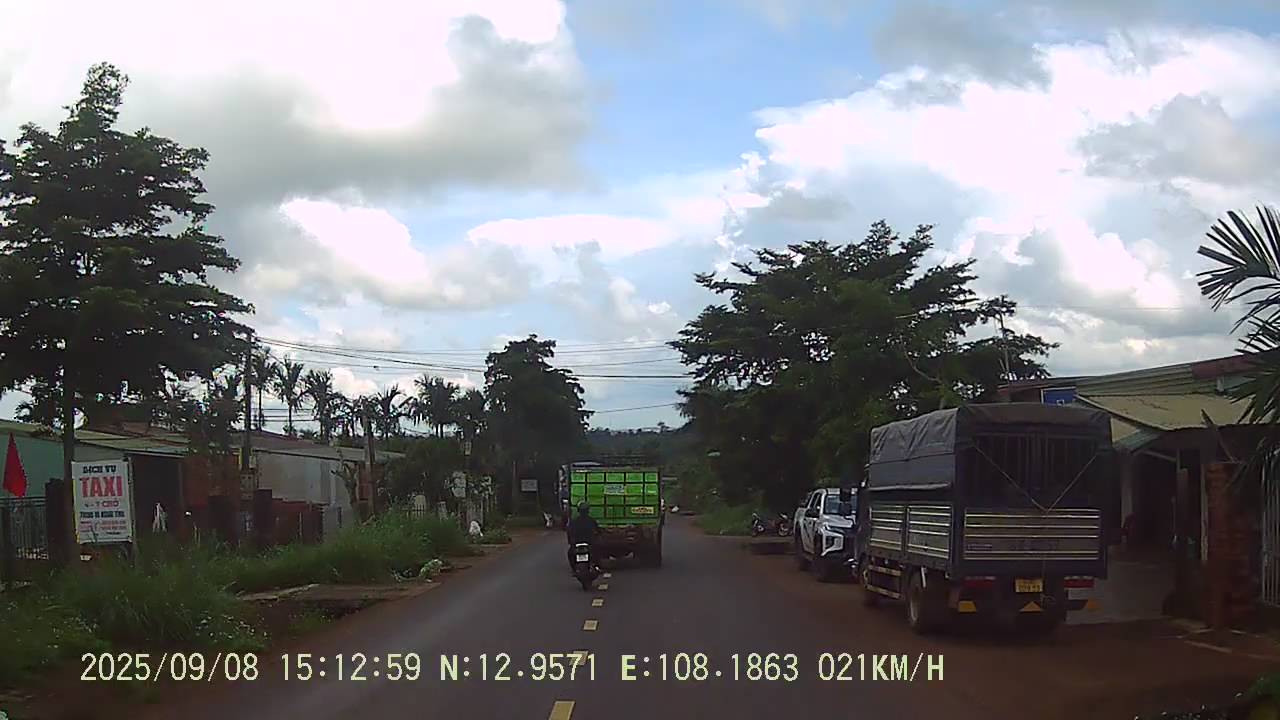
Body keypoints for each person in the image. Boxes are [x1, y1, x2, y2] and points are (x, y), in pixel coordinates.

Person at [566, 501, 600, 572]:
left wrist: (571, 541)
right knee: (597, 552)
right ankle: (596, 566)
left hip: (578, 543)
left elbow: (569, 532)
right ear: (588, 510)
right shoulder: (591, 520)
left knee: (570, 553)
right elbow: (598, 530)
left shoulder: (574, 521)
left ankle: (574, 569)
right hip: (588, 542)